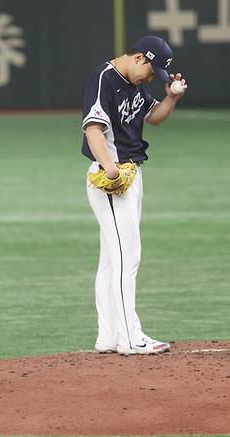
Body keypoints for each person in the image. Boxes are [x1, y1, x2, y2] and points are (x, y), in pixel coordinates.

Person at [81, 35, 186, 355]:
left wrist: (171, 98)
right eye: (152, 71)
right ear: (139, 57)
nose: (153, 77)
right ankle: (131, 338)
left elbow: (152, 117)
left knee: (112, 261)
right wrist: (110, 168)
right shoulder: (104, 78)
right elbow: (92, 128)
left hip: (130, 175)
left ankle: (109, 336)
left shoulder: (135, 84)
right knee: (129, 257)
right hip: (114, 180)